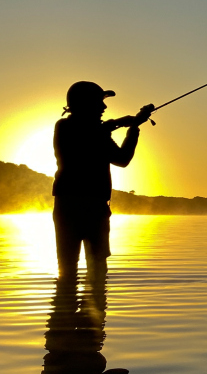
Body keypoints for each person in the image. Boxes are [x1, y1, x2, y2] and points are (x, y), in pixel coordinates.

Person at [52, 81, 154, 273]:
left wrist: (128, 127)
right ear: (85, 104)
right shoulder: (68, 127)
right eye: (99, 102)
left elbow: (120, 157)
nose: (104, 107)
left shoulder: (91, 132)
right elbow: (90, 137)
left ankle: (69, 302)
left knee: (87, 267)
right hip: (82, 207)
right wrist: (126, 125)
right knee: (78, 268)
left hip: (80, 207)